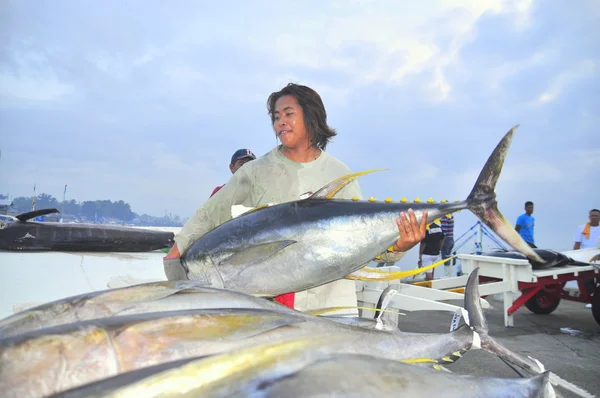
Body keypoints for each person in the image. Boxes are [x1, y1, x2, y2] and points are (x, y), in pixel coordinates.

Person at [163, 83, 427, 313]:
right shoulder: (255, 171)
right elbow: (210, 214)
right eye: (276, 117)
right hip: (269, 307)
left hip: (330, 305)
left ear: (312, 117)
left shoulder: (340, 174)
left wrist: (398, 248)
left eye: (288, 114)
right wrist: (176, 258)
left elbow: (362, 240)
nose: (280, 122)